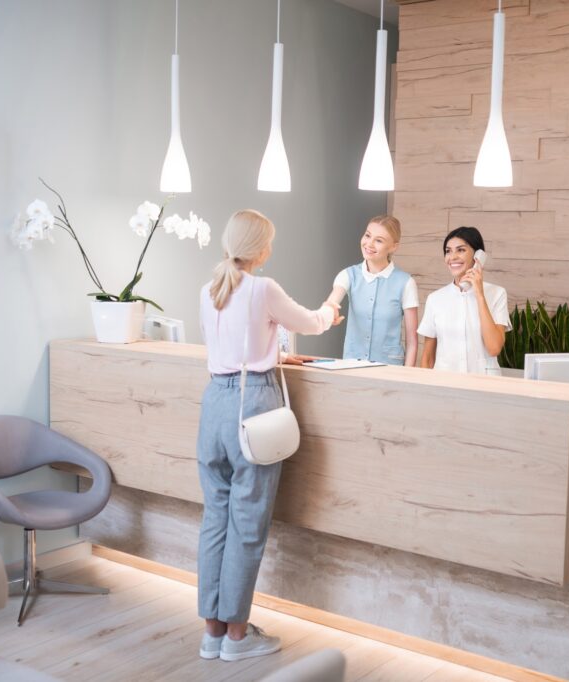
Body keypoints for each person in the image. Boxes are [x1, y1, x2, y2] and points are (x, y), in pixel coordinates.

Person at [196, 209, 341, 662]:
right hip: (252, 404)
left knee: (215, 519)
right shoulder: (262, 288)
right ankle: (238, 637)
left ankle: (213, 632)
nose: (271, 250)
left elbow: (236, 344)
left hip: (214, 406)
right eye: (269, 242)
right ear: (257, 247)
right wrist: (333, 311)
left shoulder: (209, 289)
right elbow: (311, 323)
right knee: (248, 523)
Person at [327, 215, 419, 366]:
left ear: (394, 247)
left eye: (379, 240)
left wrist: (406, 378)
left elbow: (412, 342)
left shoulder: (406, 283)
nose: (369, 244)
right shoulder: (348, 275)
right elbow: (333, 300)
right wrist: (330, 310)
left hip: (390, 368)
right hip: (352, 367)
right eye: (367, 235)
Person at [418, 226, 510, 375]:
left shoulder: (497, 294)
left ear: (478, 256)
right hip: (445, 383)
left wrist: (479, 294)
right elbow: (427, 358)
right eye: (448, 251)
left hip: (484, 384)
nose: (452, 257)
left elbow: (494, 348)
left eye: (460, 250)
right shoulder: (435, 299)